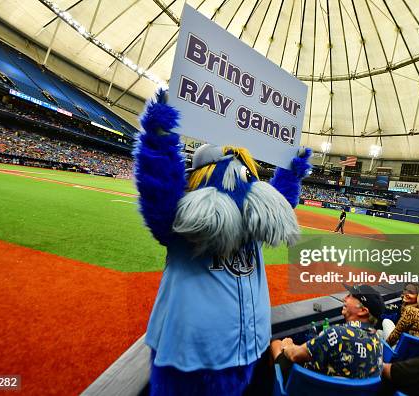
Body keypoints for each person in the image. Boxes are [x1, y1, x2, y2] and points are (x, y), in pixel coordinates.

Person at [134, 90, 312, 396]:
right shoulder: (184, 220)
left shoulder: (253, 220)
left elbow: (278, 200)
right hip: (191, 360)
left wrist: (290, 171)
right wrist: (159, 141)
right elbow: (158, 192)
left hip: (247, 351)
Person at [270, 284, 385, 382]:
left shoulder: (337, 333)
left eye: (351, 296)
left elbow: (294, 355)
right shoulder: (378, 341)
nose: (345, 298)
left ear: (363, 311)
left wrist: (287, 344)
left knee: (276, 344)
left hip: (310, 389)